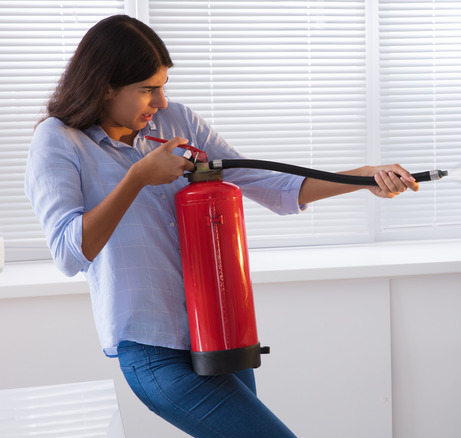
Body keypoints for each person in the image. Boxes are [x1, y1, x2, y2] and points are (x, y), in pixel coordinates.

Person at [25, 14, 419, 438]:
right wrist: (138, 176)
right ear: (105, 86)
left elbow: (267, 184)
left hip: (220, 333)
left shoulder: (176, 121)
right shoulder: (58, 140)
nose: (160, 101)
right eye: (147, 89)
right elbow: (69, 253)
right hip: (152, 348)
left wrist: (361, 179)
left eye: (162, 85)